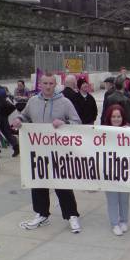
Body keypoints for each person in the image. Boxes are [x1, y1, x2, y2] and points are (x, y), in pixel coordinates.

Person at [12, 73, 82, 233]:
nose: (48, 86)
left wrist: (64, 123)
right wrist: (19, 121)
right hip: (37, 151)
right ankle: (41, 214)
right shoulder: (33, 101)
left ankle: (72, 215)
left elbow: (77, 122)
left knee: (62, 184)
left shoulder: (64, 102)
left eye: (51, 83)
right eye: (45, 83)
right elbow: (24, 116)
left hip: (59, 153)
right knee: (38, 183)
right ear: (40, 85)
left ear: (55, 85)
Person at [103, 104, 130, 236]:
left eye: (118, 116)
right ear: (109, 118)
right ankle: (115, 223)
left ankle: (124, 220)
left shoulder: (129, 130)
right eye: (113, 116)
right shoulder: (102, 131)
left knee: (124, 199)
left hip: (125, 171)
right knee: (112, 199)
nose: (116, 119)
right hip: (109, 171)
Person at [0, 87, 19, 157]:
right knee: (5, 132)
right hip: (1, 115)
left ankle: (16, 147)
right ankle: (15, 146)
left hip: (0, 115)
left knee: (5, 132)